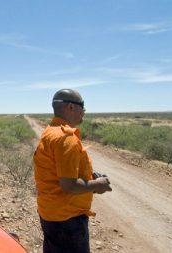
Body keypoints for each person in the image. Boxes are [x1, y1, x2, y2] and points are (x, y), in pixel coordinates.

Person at [33, 89, 112, 253]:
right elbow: (69, 186)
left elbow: (60, 171)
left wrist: (89, 177)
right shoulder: (66, 138)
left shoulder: (50, 132)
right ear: (70, 107)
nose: (84, 111)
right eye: (82, 106)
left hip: (51, 213)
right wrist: (97, 184)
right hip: (67, 218)